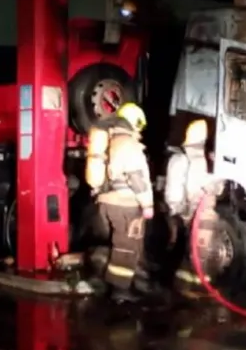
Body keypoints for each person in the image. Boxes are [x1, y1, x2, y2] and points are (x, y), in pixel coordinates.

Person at [91, 102, 155, 302]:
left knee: (124, 244)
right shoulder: (128, 144)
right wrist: (147, 204)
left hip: (108, 201)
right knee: (125, 246)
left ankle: (124, 283)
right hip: (125, 203)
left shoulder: (113, 140)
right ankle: (120, 292)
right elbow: (136, 177)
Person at [163, 119, 212, 297]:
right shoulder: (197, 160)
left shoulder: (180, 158)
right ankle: (187, 289)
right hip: (193, 211)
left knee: (188, 248)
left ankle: (183, 286)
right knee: (197, 250)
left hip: (181, 210)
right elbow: (194, 188)